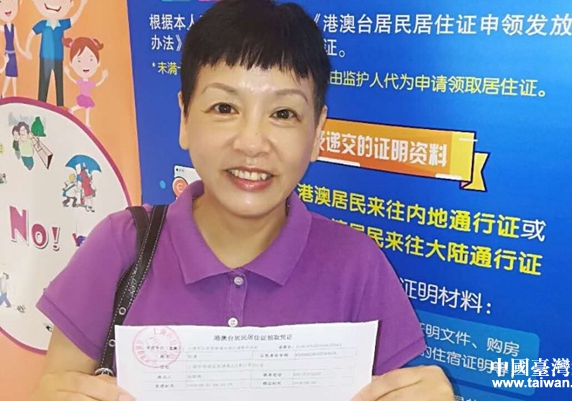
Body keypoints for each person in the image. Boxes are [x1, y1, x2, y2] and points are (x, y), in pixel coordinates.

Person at [28, 1, 453, 400]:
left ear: (317, 133)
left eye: (283, 114)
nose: (251, 143)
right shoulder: (121, 246)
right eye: (224, 107)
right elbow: (56, 383)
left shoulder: (357, 266)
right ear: (184, 117)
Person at [63, 36, 109, 128]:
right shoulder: (81, 81)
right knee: (82, 107)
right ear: (71, 63)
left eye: (91, 59)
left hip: (87, 97)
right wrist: (67, 74)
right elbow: (74, 80)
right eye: (79, 60)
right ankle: (72, 110)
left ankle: (86, 122)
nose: (85, 64)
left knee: (87, 108)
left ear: (98, 62)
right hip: (83, 97)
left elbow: (97, 84)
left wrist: (103, 77)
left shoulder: (89, 82)